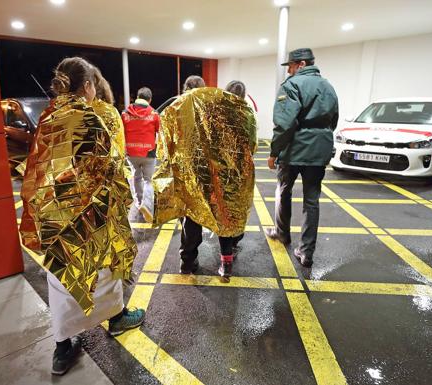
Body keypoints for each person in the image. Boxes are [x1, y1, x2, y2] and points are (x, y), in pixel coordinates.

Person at [19, 57, 145, 376]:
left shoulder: (50, 117)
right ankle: (117, 319)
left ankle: (63, 348)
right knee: (103, 273)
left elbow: (37, 169)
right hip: (89, 215)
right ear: (88, 86)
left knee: (63, 279)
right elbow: (106, 173)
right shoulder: (89, 118)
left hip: (54, 214)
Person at [151, 85, 257, 281]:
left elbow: (163, 116)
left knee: (192, 213)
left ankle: (187, 262)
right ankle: (226, 264)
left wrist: (168, 154)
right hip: (231, 175)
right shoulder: (246, 112)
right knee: (227, 216)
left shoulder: (206, 108)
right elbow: (252, 145)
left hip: (197, 172)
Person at [265, 48, 339, 267]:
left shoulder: (292, 85)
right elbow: (333, 120)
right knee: (311, 200)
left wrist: (274, 151)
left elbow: (284, 124)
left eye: (291, 65)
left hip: (294, 149)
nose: (289, 70)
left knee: (283, 191)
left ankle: (282, 233)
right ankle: (306, 252)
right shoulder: (328, 86)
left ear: (302, 64)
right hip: (319, 150)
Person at [121, 87, 160, 221]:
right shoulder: (154, 114)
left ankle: (138, 203)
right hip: (148, 153)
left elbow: (121, 132)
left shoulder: (125, 113)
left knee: (136, 177)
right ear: (149, 100)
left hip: (131, 153)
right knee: (148, 180)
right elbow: (159, 131)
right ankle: (147, 205)